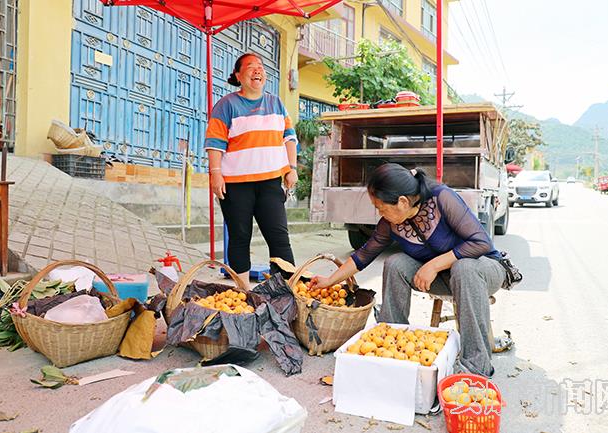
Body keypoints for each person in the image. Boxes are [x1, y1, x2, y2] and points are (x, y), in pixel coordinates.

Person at [311, 163, 507, 377]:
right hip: (444, 278)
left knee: (464, 267)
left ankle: (476, 367)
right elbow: (363, 255)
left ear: (403, 202)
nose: (380, 213)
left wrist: (433, 265)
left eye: (382, 207)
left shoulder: (442, 198)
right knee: (395, 263)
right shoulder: (391, 223)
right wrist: (329, 281)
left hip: (482, 271)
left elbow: (481, 243)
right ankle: (391, 345)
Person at [204, 52, 298, 289]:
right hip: (236, 185)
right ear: (238, 75)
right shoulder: (226, 105)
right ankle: (243, 292)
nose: (257, 70)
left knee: (279, 239)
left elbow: (289, 138)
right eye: (249, 67)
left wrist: (292, 168)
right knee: (239, 237)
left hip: (270, 183)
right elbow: (215, 142)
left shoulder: (276, 102)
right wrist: (215, 173)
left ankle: (285, 291)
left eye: (260, 66)